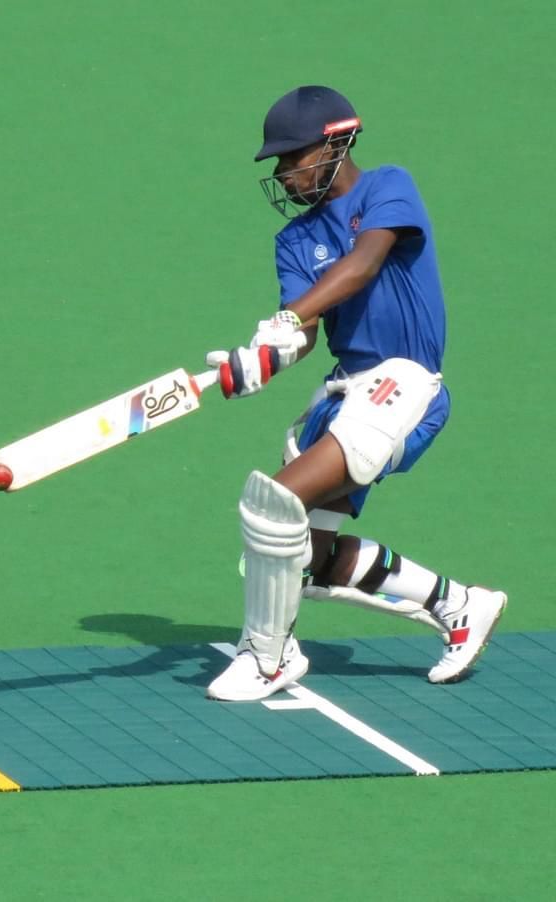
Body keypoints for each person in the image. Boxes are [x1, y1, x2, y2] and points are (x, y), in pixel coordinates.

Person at [204, 85, 506, 702]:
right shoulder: (293, 241)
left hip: (404, 384)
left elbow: (363, 265)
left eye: (293, 157)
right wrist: (262, 359)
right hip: (345, 394)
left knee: (273, 505)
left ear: (336, 143)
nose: (284, 174)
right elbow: (302, 330)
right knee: (310, 560)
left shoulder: (388, 187)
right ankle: (460, 604)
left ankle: (266, 658)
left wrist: (286, 321)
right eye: (278, 163)